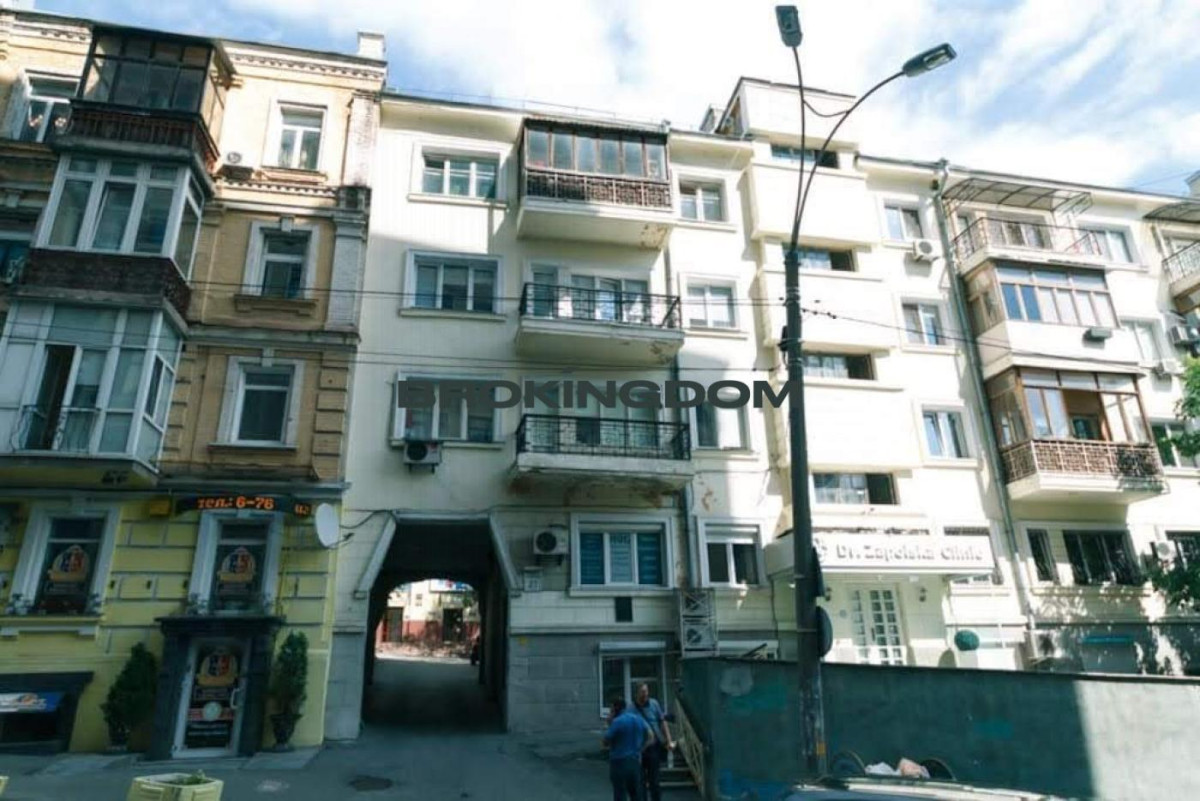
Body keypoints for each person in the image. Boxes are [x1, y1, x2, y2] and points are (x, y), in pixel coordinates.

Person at [603, 697, 654, 801]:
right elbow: (651, 736)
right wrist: (641, 748)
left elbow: (605, 741)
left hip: (619, 762)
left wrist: (608, 723)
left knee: (620, 794)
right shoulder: (638, 719)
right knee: (636, 794)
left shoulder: (617, 722)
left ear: (615, 709)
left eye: (611, 710)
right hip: (635, 761)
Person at [632, 683, 674, 801]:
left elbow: (662, 722)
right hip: (639, 748)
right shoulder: (631, 709)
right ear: (637, 693)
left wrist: (669, 740)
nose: (645, 694)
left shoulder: (654, 704)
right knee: (640, 781)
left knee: (654, 780)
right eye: (642, 692)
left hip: (653, 747)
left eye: (646, 691)